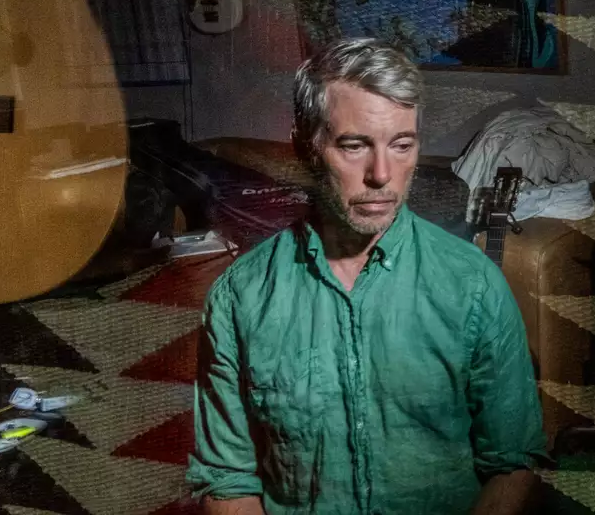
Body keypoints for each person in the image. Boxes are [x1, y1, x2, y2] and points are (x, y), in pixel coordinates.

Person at [186, 37, 547, 514]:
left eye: (401, 145)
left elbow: (513, 461)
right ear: (305, 147)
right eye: (354, 146)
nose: (382, 174)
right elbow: (227, 478)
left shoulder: (473, 286)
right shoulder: (241, 297)